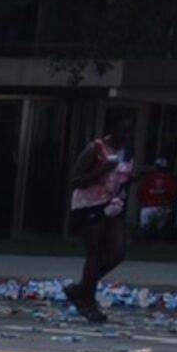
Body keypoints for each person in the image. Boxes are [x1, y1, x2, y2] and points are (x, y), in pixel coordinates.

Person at [63, 128, 132, 320]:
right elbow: (75, 180)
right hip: (90, 204)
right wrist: (101, 171)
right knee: (95, 253)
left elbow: (121, 177)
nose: (127, 136)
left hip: (113, 202)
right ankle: (87, 301)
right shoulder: (95, 148)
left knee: (118, 251)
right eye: (124, 130)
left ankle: (82, 288)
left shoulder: (126, 151)